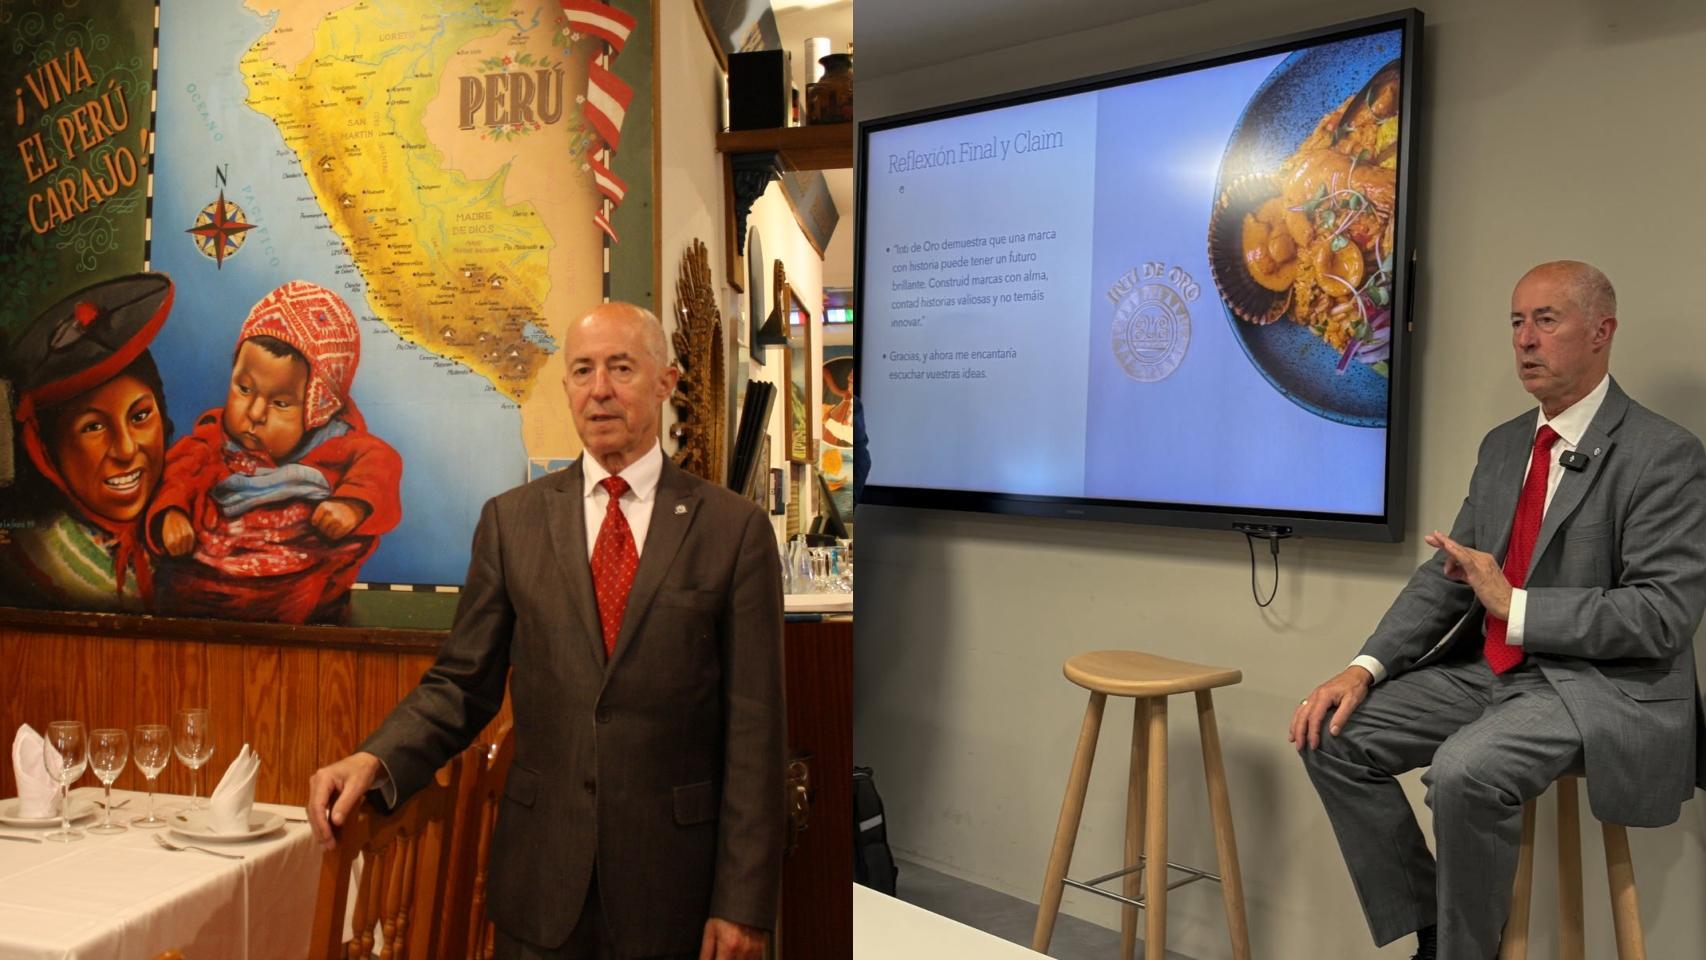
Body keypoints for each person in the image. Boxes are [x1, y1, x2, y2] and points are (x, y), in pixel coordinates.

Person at [307, 302, 785, 960]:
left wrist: (743, 902)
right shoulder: (513, 523)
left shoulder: (732, 532)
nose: (600, 390)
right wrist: (375, 758)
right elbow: (461, 684)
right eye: (583, 370)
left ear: (665, 382)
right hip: (541, 886)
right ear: (565, 387)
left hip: (676, 892)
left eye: (621, 368)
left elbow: (756, 733)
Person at [1291, 260, 1706, 960]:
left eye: (1547, 320)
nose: (1525, 340)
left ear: (1602, 332)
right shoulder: (1506, 444)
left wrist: (1515, 606)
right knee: (1330, 732)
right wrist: (1363, 668)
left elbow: (1660, 615)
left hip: (1598, 686)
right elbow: (1448, 578)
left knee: (1463, 772)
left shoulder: (1664, 454)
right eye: (1517, 321)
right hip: (1491, 673)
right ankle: (1434, 932)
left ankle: (1464, 953)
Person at [144, 280, 402, 624]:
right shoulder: (212, 439)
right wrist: (171, 514)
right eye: (243, 388)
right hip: (202, 590)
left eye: (280, 403)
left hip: (299, 598)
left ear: (317, 410)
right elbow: (179, 469)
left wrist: (351, 505)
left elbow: (380, 464)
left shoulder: (337, 444)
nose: (254, 414)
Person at [0, 273, 176, 611]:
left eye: (140, 417)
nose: (126, 450)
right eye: (93, 426)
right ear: (46, 451)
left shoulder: (182, 527)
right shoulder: (33, 568)